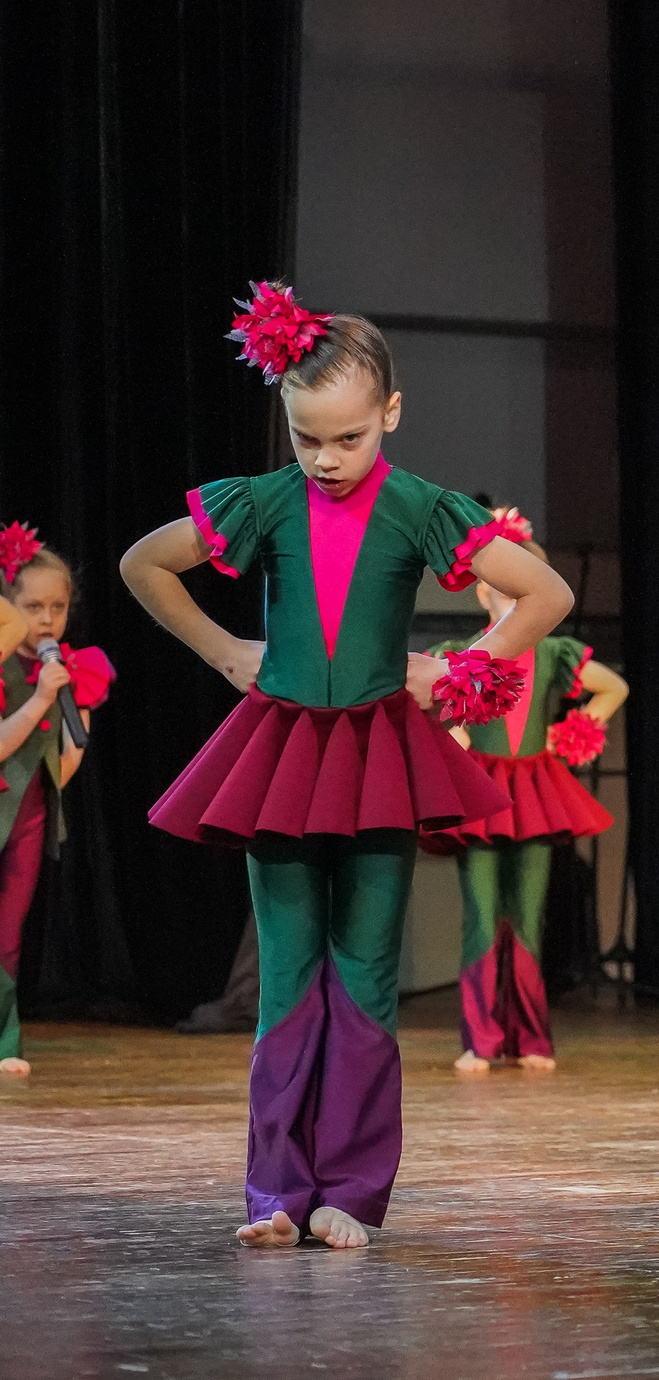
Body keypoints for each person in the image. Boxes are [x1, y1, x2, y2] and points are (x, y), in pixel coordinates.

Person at [121, 285, 573, 1248]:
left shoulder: (420, 507)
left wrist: (455, 668)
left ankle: (352, 1193)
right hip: (282, 756)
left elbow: (546, 592)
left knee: (364, 976)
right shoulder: (268, 500)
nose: (326, 460)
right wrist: (228, 652)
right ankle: (274, 1193)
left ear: (391, 416)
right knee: (286, 976)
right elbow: (143, 565)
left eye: (348, 439)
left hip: (377, 758)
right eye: (307, 439)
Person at [428, 509, 626, 1071]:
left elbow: (613, 686)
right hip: (482, 795)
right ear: (482, 592)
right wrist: (452, 729)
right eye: (503, 586)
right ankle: (480, 1040)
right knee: (484, 914)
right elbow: (421, 703)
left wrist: (572, 734)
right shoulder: (463, 653)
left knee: (529, 916)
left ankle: (533, 1038)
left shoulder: (550, 654)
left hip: (534, 794)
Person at [0, 531, 112, 1075]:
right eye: (32, 607)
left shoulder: (72, 671)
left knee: (7, 933)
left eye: (58, 607)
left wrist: (61, 699)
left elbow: (70, 753)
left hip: (28, 816)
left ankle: (4, 1042)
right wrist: (40, 697)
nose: (46, 619)